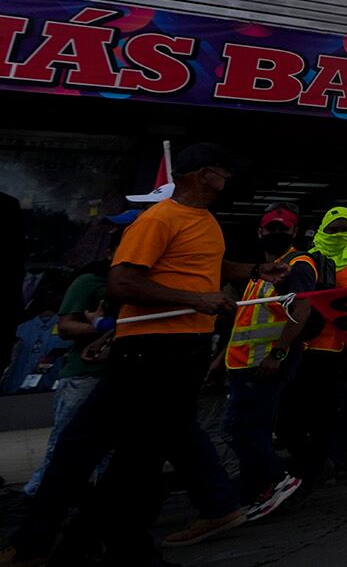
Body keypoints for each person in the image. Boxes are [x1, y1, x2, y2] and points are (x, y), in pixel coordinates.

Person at [3, 144, 253, 562]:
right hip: (150, 353)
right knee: (91, 449)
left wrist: (255, 271)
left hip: (183, 352)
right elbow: (122, 283)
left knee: (137, 455)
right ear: (203, 174)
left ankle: (92, 542)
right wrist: (197, 301)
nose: (227, 182)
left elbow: (208, 266)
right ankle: (42, 541)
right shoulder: (158, 219)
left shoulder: (206, 221)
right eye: (224, 174)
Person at [224, 206, 319, 521]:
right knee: (257, 429)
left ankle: (278, 480)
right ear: (260, 232)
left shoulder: (297, 265)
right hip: (245, 362)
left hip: (266, 363)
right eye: (271, 228)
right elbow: (248, 318)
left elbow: (301, 311)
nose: (276, 233)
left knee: (237, 428)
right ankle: (255, 490)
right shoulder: (262, 270)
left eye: (284, 228)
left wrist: (278, 353)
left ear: (294, 232)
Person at [276, 207, 347, 497]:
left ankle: (313, 471)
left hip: (338, 352)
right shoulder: (309, 258)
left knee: (324, 416)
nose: (338, 235)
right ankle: (312, 463)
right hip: (304, 347)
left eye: (344, 229)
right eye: (332, 229)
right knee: (288, 418)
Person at [21, 253, 110, 498]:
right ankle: (41, 494)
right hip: (84, 376)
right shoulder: (90, 282)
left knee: (108, 444)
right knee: (67, 439)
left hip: (120, 373)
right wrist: (100, 327)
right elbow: (66, 327)